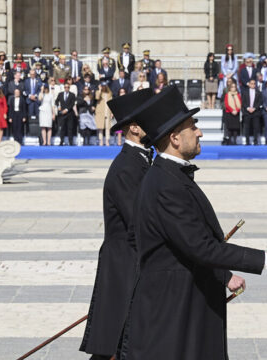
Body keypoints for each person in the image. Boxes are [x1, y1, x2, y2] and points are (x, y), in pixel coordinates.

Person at [119, 85, 267, 359]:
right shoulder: (165, 184)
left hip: (186, 306)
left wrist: (223, 275)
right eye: (192, 127)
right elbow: (200, 247)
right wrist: (265, 258)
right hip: (174, 314)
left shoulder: (169, 176)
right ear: (175, 138)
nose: (199, 132)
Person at [81, 88, 154, 360]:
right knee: (115, 346)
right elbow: (139, 224)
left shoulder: (142, 161)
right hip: (124, 266)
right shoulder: (126, 167)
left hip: (133, 262)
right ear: (134, 128)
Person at [241, 78, 262, 145]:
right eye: (251, 84)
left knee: (256, 127)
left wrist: (254, 108)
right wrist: (247, 108)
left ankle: (255, 141)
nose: (253, 85)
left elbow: (260, 102)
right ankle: (247, 141)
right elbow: (243, 101)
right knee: (247, 127)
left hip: (255, 112)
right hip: (247, 112)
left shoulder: (258, 92)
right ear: (249, 84)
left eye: (254, 84)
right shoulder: (245, 92)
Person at [94, 82, 113, 146]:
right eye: (102, 86)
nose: (103, 87)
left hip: (107, 112)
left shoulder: (109, 93)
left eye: (104, 86)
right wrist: (99, 89)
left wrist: (112, 112)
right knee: (100, 127)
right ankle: (101, 141)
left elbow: (111, 103)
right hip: (100, 112)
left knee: (108, 127)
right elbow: (97, 98)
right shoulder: (98, 92)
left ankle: (107, 141)